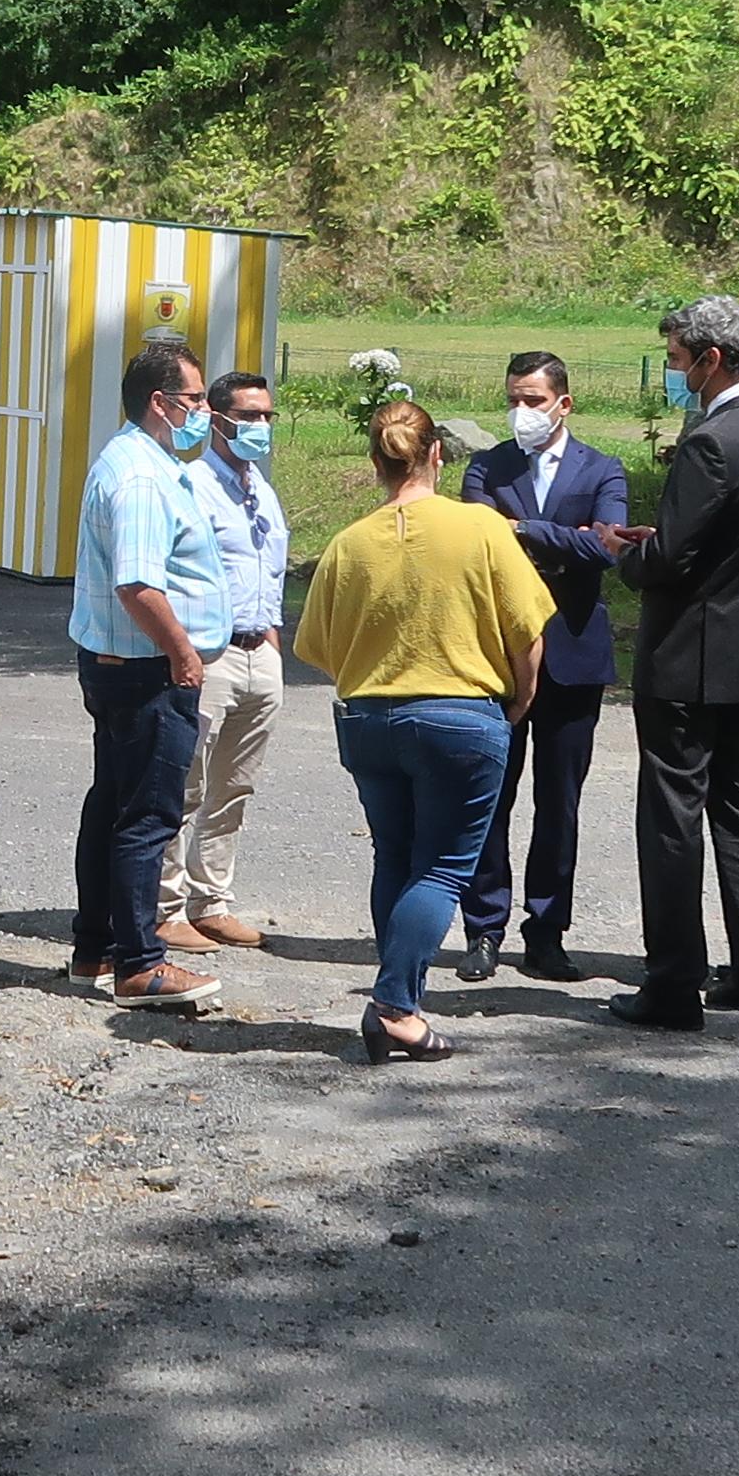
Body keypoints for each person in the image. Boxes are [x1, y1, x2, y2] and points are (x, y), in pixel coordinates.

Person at [290, 395, 554, 1064]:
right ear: (438, 454)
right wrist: (520, 699)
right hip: (460, 716)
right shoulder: (481, 528)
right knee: (440, 870)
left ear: (374, 462)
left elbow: (317, 647)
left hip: (369, 718)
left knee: (395, 857)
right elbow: (528, 631)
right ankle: (395, 1008)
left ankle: (399, 996)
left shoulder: (348, 544)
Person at [612, 292, 739, 1031]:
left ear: (712, 358)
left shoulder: (713, 441)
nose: (676, 373)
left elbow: (672, 558)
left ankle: (672, 983)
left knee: (672, 819)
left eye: (677, 360)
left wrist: (626, 556)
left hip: (688, 658)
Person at [456, 348, 631, 980]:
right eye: (513, 400)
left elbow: (607, 548)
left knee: (560, 804)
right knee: (489, 799)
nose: (520, 411)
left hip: (573, 655)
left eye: (532, 400)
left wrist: (522, 529)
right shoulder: (488, 465)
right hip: (497, 656)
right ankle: (483, 929)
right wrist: (566, 540)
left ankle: (547, 932)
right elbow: (477, 542)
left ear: (564, 403)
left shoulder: (603, 469)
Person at [67, 340, 229, 1005]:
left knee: (113, 804)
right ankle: (140, 962)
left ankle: (97, 949)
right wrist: (183, 654)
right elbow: (138, 584)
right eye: (196, 399)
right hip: (146, 670)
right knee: (146, 816)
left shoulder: (143, 461)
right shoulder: (139, 477)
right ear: (161, 403)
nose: (205, 411)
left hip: (126, 664)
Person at [167, 365, 294, 953]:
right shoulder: (193, 484)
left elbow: (268, 572)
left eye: (266, 415)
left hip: (258, 651)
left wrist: (272, 643)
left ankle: (211, 900)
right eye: (247, 416)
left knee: (235, 786)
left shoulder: (261, 488)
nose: (259, 425)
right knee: (185, 785)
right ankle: (166, 906)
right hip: (209, 653)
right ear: (217, 419)